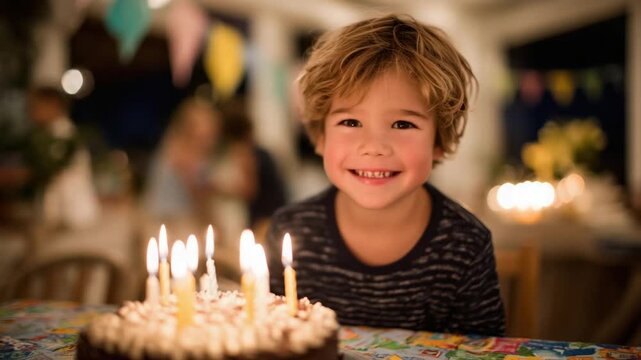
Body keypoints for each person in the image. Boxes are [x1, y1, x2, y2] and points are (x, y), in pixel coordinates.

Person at [267, 14, 505, 336]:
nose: (374, 147)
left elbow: (482, 352)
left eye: (403, 124)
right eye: (350, 123)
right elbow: (273, 337)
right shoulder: (291, 234)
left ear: (439, 141)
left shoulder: (464, 245)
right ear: (321, 137)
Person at [143, 97, 222, 235]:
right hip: (171, 222)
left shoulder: (172, 145)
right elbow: (199, 192)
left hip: (165, 218)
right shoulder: (182, 151)